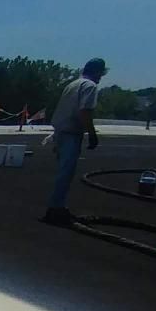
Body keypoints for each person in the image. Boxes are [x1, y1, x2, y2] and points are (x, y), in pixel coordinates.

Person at [41, 58, 106, 226]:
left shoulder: (73, 84)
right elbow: (85, 111)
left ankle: (56, 206)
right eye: (101, 73)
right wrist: (92, 134)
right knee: (66, 172)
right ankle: (55, 208)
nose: (101, 77)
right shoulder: (90, 86)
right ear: (97, 71)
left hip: (60, 131)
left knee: (63, 171)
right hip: (71, 133)